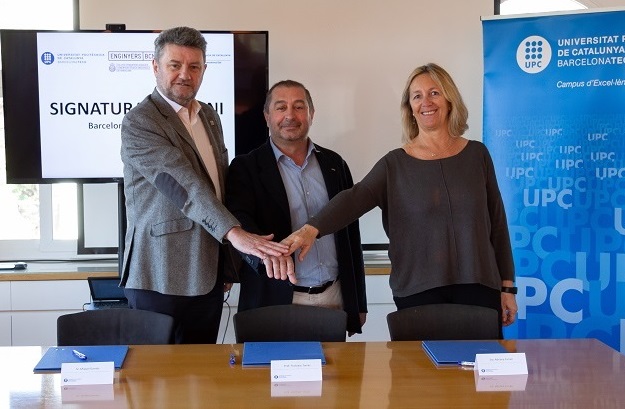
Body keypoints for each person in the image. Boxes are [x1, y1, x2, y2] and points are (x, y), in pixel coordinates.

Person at [282, 63, 518, 337]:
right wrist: (312, 228)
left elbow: (497, 224)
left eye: (434, 93)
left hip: (479, 289)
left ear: (449, 99)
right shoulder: (394, 164)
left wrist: (508, 287)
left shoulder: (477, 155)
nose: (426, 102)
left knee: (480, 365)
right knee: (420, 367)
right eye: (417, 96)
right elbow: (354, 198)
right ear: (410, 108)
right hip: (418, 293)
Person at [120, 26, 288, 344]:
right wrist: (235, 234)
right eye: (175, 65)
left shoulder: (209, 116)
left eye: (194, 66)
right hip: (160, 274)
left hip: (207, 273)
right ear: (155, 66)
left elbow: (219, 188)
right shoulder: (141, 122)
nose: (185, 74)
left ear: (204, 70)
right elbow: (182, 184)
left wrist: (226, 263)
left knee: (202, 371)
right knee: (156, 374)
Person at [225, 80, 367, 335]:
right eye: (281, 107)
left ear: (311, 114)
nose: (290, 115)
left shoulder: (335, 164)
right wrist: (266, 254)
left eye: (299, 107)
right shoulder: (245, 167)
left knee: (333, 364)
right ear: (267, 116)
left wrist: (358, 301)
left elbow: (351, 234)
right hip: (275, 302)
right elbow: (240, 223)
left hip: (333, 299)